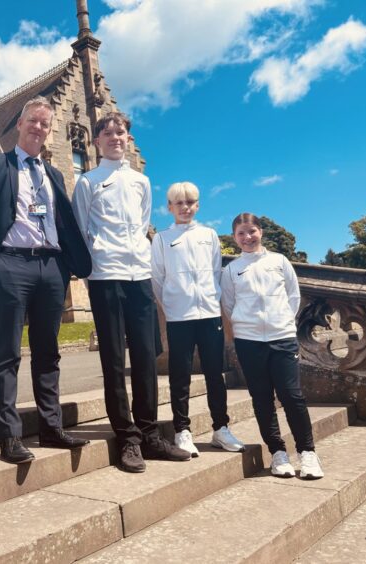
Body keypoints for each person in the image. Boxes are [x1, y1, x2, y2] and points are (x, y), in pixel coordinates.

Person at [0, 96, 92, 464]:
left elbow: (65, 222)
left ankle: (51, 428)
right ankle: (10, 435)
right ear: (19, 125)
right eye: (32, 121)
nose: (38, 128)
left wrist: (67, 265)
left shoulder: (53, 174)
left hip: (51, 267)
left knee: (48, 352)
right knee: (7, 352)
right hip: (12, 264)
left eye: (44, 123)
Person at [72, 111, 190, 473]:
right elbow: (81, 229)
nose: (114, 138)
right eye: (107, 133)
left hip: (138, 275)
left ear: (127, 138)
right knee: (112, 360)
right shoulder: (88, 182)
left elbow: (141, 225)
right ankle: (128, 439)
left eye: (120, 132)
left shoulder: (142, 181)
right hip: (106, 276)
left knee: (145, 356)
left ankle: (150, 434)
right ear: (96, 141)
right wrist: (94, 269)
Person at [220, 212, 324, 480]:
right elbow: (229, 305)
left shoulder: (279, 261)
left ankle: (307, 453)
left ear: (260, 232)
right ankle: (278, 452)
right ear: (235, 237)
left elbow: (293, 295)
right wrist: (247, 326)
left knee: (292, 396)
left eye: (251, 231)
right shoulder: (231, 270)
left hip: (281, 338)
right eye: (241, 233)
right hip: (249, 341)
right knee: (262, 398)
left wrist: (282, 323)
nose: (247, 237)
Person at [151, 182, 245, 458]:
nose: (185, 208)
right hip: (179, 317)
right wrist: (171, 305)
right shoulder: (162, 239)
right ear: (169, 208)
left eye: (190, 202)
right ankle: (182, 430)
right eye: (179, 203)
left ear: (198, 205)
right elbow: (157, 278)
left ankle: (221, 428)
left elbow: (216, 272)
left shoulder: (209, 235)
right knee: (180, 377)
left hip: (209, 315)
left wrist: (211, 301)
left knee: (215, 374)